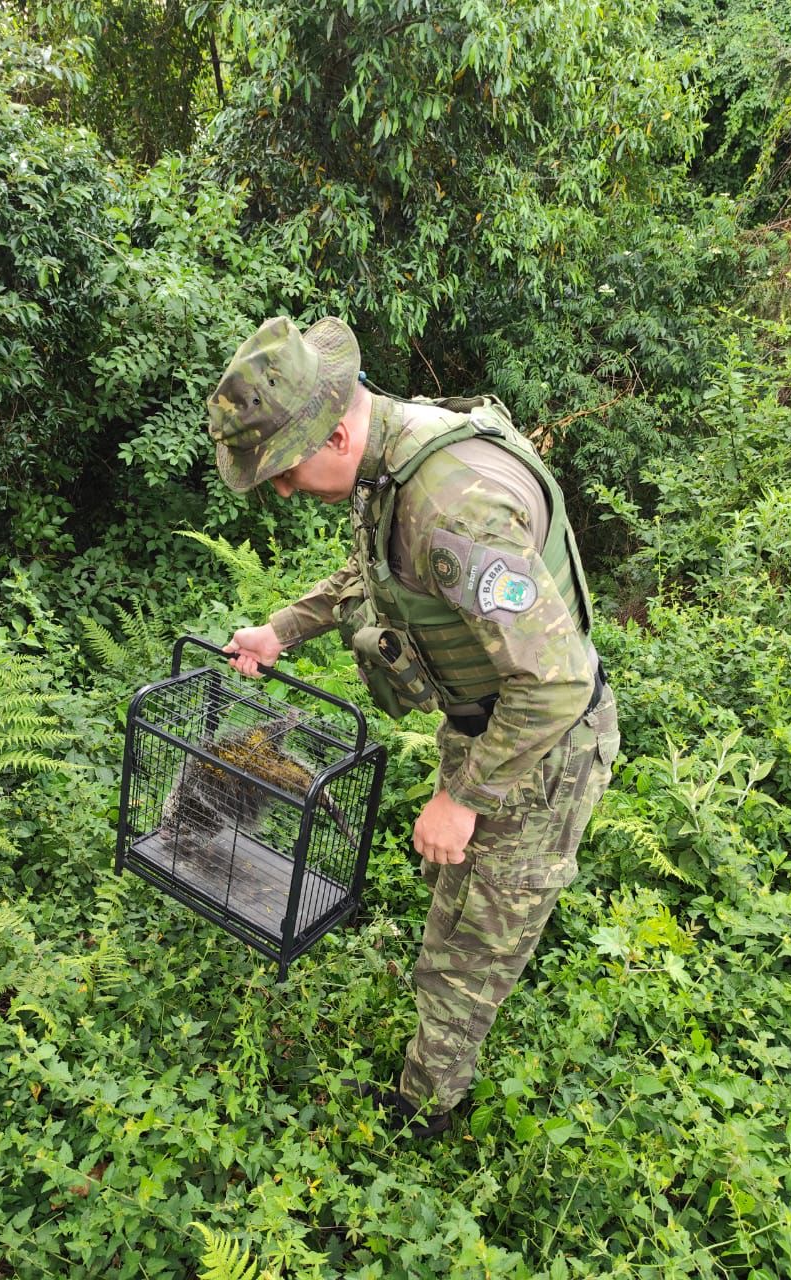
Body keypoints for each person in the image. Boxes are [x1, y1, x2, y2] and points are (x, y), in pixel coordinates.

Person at [208, 314, 620, 1139]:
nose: (281, 491)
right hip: (486, 724)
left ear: (331, 431)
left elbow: (558, 678)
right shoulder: (389, 452)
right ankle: (440, 1027)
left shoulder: (453, 506)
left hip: (542, 748)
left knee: (472, 950)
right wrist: (281, 629)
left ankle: (424, 1109)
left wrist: (465, 797)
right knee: (451, 897)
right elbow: (375, 569)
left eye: (282, 472)